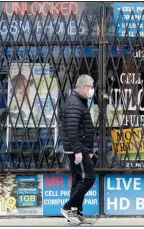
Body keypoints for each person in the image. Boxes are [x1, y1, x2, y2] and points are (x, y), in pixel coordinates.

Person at [61, 74, 97, 225]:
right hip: (78, 148)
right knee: (88, 178)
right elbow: (71, 129)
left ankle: (77, 213)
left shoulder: (78, 102)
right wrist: (78, 151)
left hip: (79, 148)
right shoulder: (75, 103)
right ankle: (68, 208)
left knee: (78, 180)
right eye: (91, 87)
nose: (92, 90)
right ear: (83, 87)